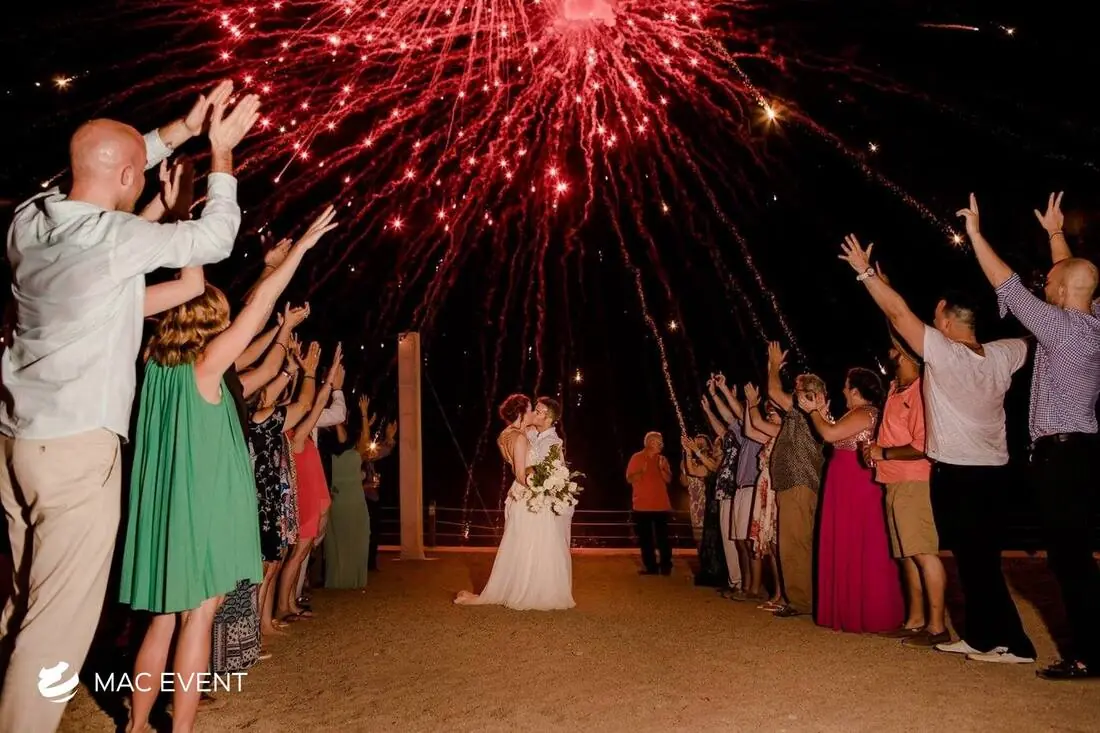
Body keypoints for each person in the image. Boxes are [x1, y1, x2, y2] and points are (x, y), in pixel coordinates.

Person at [0, 80, 254, 732]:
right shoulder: (114, 239)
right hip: (77, 450)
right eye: (136, 172)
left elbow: (103, 168)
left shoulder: (28, 221)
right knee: (53, 630)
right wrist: (220, 152)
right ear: (126, 175)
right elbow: (216, 238)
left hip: (16, 443)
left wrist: (179, 130)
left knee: (24, 604)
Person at [119, 206, 337, 733]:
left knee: (161, 621)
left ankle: (137, 723)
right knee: (199, 619)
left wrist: (186, 229)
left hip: (165, 510)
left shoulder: (152, 365)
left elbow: (229, 306)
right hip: (205, 507)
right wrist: (300, 252)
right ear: (209, 325)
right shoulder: (206, 367)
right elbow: (257, 311)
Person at [840, 233, 1037, 665]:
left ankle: (1015, 644)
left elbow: (899, 314)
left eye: (935, 314)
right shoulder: (1002, 354)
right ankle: (982, 637)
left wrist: (865, 273)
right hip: (994, 473)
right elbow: (1034, 337)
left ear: (946, 318)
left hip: (961, 473)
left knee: (978, 562)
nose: (931, 320)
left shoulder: (947, 355)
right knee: (975, 560)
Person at [961, 193, 1100, 679]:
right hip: (1080, 453)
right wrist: (1056, 234)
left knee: (1070, 561)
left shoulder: (1060, 328)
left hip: (1061, 457)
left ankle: (1089, 654)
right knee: (1075, 556)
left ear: (1058, 292)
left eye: (1049, 285)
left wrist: (976, 234)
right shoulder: (1093, 321)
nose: (1044, 286)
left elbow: (1006, 283)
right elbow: (1075, 278)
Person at [803, 368, 903, 634]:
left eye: (847, 387)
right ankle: (846, 608)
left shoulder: (865, 412)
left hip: (856, 484)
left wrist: (813, 412)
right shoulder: (855, 413)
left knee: (862, 542)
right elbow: (834, 432)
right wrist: (821, 411)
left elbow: (829, 434)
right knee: (847, 540)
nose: (844, 391)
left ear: (856, 391)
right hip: (844, 483)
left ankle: (871, 612)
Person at [863, 336, 947, 647]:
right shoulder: (896, 389)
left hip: (914, 481)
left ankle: (937, 627)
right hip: (894, 481)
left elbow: (925, 445)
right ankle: (915, 621)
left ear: (909, 354)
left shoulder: (921, 391)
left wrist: (883, 453)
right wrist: (876, 450)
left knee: (924, 553)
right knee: (907, 555)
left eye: (896, 348)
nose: (890, 353)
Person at [455, 394, 575, 610]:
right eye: (532, 409)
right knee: (524, 542)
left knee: (533, 543)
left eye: (538, 411)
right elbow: (521, 469)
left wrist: (549, 482)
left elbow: (552, 468)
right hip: (527, 493)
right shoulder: (523, 435)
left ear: (548, 418)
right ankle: (522, 589)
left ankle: (535, 588)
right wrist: (538, 481)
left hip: (533, 494)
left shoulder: (545, 440)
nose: (534, 413)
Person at [765, 342, 826, 618]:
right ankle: (804, 597)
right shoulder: (804, 412)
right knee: (797, 541)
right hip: (795, 483)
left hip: (798, 482)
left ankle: (801, 601)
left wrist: (773, 366)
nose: (795, 391)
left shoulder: (805, 408)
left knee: (794, 543)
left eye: (798, 387)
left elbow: (773, 391)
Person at [322, 402, 370, 589]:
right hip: (342, 500)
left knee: (356, 538)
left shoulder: (355, 452)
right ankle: (342, 579)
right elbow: (345, 436)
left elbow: (365, 438)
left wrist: (364, 415)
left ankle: (349, 578)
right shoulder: (330, 452)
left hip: (354, 500)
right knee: (341, 540)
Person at [626, 432, 674, 576]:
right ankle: (651, 567)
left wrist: (662, 469)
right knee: (646, 539)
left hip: (661, 505)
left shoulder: (662, 459)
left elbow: (668, 479)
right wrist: (642, 471)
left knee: (663, 538)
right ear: (650, 442)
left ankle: (666, 566)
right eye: (659, 442)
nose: (662, 444)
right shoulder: (637, 457)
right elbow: (629, 479)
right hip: (642, 505)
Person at [359, 395, 395, 572]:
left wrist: (389, 438)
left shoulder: (367, 451)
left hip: (372, 496)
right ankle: (364, 562)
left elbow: (380, 452)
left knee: (374, 530)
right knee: (365, 531)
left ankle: (370, 562)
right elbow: (369, 452)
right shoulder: (356, 449)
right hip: (360, 497)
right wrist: (365, 417)